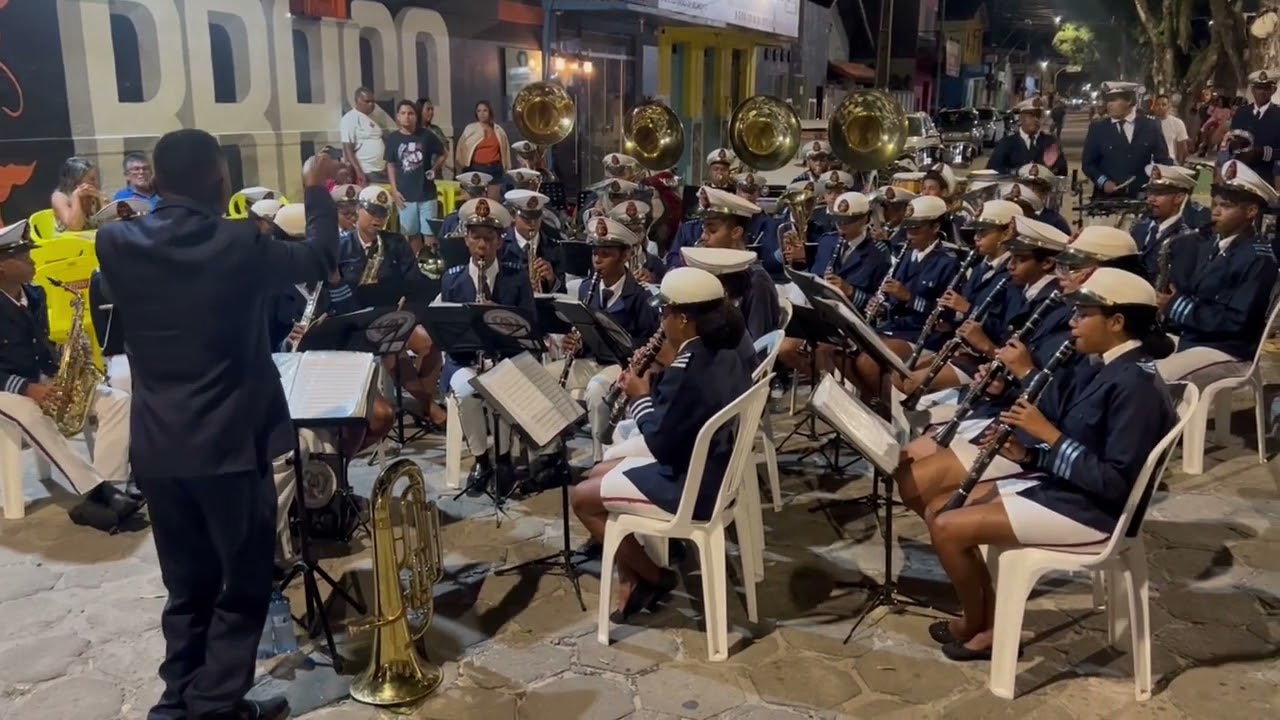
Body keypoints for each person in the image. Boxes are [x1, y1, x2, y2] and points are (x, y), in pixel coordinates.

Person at [94, 130, 342, 720]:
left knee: (186, 587)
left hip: (158, 448)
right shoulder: (238, 242)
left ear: (156, 179)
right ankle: (212, 705)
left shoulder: (114, 242)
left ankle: (177, 700)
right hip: (229, 446)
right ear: (219, 179)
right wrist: (316, 189)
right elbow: (319, 259)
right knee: (244, 582)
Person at [899, 267, 1176, 662]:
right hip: (1069, 487)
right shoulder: (1109, 364)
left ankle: (980, 626)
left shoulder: (1136, 385)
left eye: (1084, 314)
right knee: (937, 507)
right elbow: (1081, 435)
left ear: (1116, 322)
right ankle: (985, 620)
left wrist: (1048, 436)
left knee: (946, 525)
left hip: (1095, 511)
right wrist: (1028, 455)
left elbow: (1115, 481)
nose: (1073, 322)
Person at [570, 266, 752, 619]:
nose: (661, 319)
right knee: (600, 471)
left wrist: (639, 395)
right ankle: (633, 575)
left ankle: (655, 577)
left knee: (582, 498)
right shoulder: (723, 351)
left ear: (684, 319)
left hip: (689, 486)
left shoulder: (687, 369)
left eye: (664, 312)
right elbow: (681, 415)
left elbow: (660, 443)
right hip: (712, 468)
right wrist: (657, 377)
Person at [0, 220, 141, 531]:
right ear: (2, 267)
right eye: (23, 257)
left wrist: (66, 370)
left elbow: (40, 344)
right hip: (6, 387)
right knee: (31, 413)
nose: (33, 260)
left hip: (38, 377)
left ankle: (112, 486)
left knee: (117, 400)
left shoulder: (35, 293)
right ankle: (95, 490)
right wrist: (26, 388)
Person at [437, 198, 535, 493]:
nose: (482, 245)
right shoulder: (451, 280)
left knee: (501, 389)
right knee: (467, 394)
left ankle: (504, 459)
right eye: (476, 237)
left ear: (500, 241)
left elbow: (529, 327)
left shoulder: (516, 277)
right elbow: (447, 335)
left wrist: (500, 320)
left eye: (489, 238)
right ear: (466, 239)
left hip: (506, 360)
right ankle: (481, 459)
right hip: (465, 360)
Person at [1157, 159, 1279, 384]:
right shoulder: (1217, 245)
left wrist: (1176, 306)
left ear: (1251, 211)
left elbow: (1236, 323)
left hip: (1228, 350)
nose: (1216, 212)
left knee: (1153, 378)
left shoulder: (1258, 258)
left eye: (1226, 206)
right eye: (1215, 204)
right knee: (1123, 358)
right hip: (1197, 339)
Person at [898, 200, 1023, 395]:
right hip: (962, 347)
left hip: (984, 358)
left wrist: (967, 309)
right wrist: (949, 321)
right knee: (899, 375)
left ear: (1006, 233)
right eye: (976, 231)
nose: (976, 237)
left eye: (983, 232)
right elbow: (962, 312)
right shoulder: (981, 267)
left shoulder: (1013, 275)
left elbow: (1003, 328)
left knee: (910, 383)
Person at [565, 218, 661, 462]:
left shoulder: (639, 295)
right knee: (543, 380)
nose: (597, 260)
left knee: (597, 389)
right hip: (590, 360)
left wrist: (622, 343)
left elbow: (648, 342)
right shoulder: (586, 288)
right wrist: (576, 344)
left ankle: (602, 459)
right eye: (595, 253)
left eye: (606, 254)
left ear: (625, 255)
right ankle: (551, 454)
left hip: (621, 364)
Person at [1082, 82, 1172, 199]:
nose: (1109, 104)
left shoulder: (1150, 126)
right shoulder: (1098, 128)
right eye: (1108, 101)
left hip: (1142, 198)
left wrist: (1158, 175)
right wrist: (1103, 182)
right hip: (1106, 200)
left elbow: (1163, 160)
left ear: (1129, 101)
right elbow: (1088, 164)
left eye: (1114, 100)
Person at [1128, 165, 1205, 286]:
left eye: (1159, 193)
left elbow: (1177, 286)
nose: (1150, 199)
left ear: (1179, 198)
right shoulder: (1139, 228)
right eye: (1150, 192)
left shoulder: (1186, 239)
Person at [385, 99, 445, 254]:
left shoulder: (426, 136)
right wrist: (394, 190)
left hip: (427, 194)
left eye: (410, 113)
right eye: (403, 113)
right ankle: (417, 263)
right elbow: (390, 164)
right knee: (412, 234)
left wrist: (434, 169)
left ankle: (431, 262)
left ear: (416, 116)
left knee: (430, 234)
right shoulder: (393, 139)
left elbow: (443, 153)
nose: (407, 117)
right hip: (405, 196)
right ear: (398, 116)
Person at [1226, 70, 1280, 186]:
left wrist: (1261, 153)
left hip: (1268, 176)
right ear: (1252, 89)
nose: (1262, 92)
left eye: (1266, 88)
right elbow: (1231, 142)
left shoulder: (1278, 114)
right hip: (1241, 175)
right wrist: (1234, 145)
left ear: (1273, 90)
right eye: (1259, 88)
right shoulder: (1241, 113)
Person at [456, 101, 511, 201]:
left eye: (485, 110)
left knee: (493, 202)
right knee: (476, 202)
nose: (482, 113)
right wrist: (461, 166)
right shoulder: (470, 129)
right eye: (479, 111)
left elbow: (505, 151)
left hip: (495, 169)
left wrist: (507, 167)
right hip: (476, 168)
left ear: (490, 112)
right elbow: (461, 149)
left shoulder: (498, 130)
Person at [340, 86, 388, 185]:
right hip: (366, 171)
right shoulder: (350, 118)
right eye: (367, 101)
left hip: (381, 170)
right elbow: (348, 149)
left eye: (373, 102)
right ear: (357, 101)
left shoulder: (373, 118)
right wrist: (358, 171)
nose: (371, 104)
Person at [51, 156, 104, 232]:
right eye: (92, 179)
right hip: (69, 238)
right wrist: (76, 196)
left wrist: (101, 198)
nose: (96, 183)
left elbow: (112, 220)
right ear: (76, 180)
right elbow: (75, 226)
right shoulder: (59, 197)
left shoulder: (93, 196)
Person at [1152, 94, 1190, 165]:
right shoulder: (1148, 122)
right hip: (1151, 163)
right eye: (1158, 104)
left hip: (1170, 162)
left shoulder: (1177, 123)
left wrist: (1180, 165)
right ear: (1154, 106)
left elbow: (1182, 147)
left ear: (1168, 107)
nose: (1160, 107)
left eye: (1164, 105)